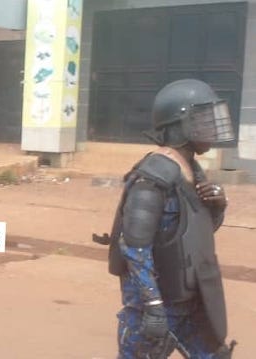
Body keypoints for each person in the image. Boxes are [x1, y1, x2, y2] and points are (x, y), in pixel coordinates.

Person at [101, 79, 237, 358]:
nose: (212, 128)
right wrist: (152, 306)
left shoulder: (192, 170)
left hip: (188, 302)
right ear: (180, 125)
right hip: (155, 311)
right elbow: (134, 248)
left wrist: (218, 207)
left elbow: (195, 234)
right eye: (203, 120)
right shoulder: (151, 179)